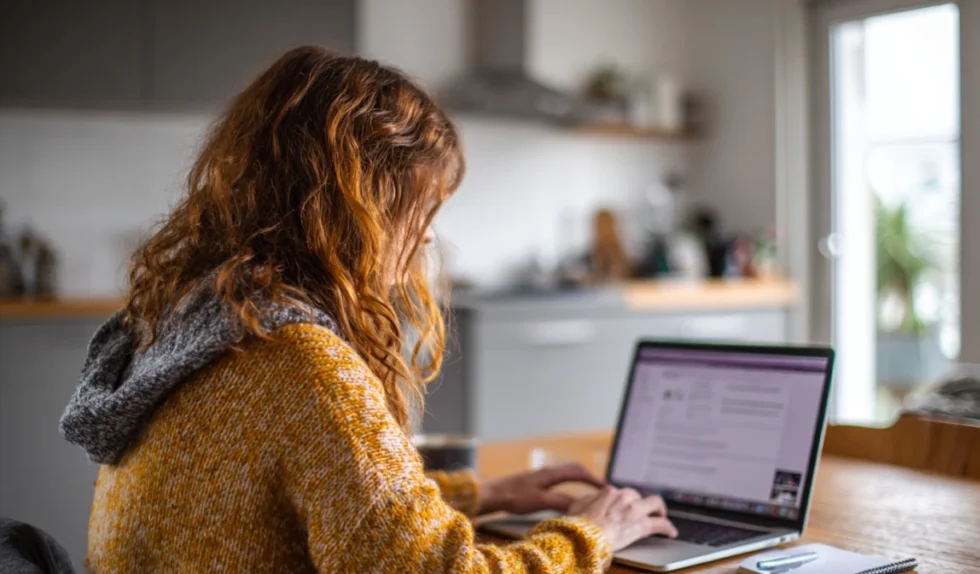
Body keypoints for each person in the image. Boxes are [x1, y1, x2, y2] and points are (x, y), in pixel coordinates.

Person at [59, 46, 677, 572]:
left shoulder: (197, 325)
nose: (428, 237)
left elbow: (306, 508)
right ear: (353, 208)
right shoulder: (300, 362)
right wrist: (593, 533)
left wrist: (480, 493)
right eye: (420, 208)